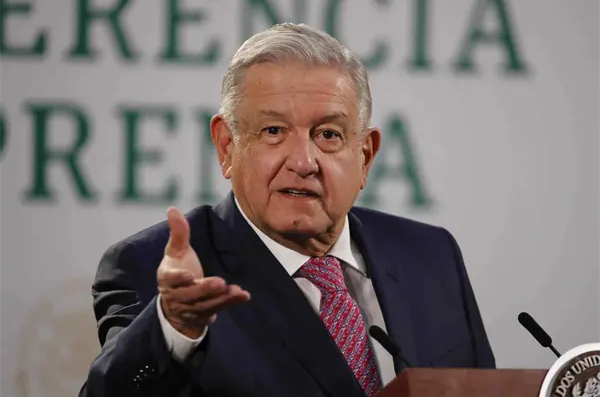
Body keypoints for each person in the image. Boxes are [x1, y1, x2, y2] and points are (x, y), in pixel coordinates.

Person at [79, 23, 495, 397]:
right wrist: (173, 328)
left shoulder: (430, 254)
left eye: (328, 134)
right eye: (273, 131)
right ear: (227, 147)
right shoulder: (156, 271)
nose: (303, 161)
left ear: (365, 156)